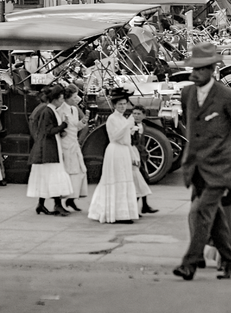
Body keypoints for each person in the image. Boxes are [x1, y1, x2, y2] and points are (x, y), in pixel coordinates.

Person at [172, 44, 231, 281]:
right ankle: (230, 260)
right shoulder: (187, 94)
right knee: (214, 218)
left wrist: (227, 154)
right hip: (195, 168)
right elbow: (192, 127)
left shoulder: (227, 97)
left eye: (198, 70)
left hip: (219, 169)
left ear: (211, 70)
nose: (193, 74)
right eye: (192, 69)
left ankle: (190, 263)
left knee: (200, 213)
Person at [89, 91, 142, 223]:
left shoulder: (123, 119)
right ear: (114, 105)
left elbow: (126, 138)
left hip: (123, 151)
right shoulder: (112, 119)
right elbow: (115, 136)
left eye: (124, 104)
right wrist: (128, 126)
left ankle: (123, 213)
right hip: (115, 151)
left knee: (125, 179)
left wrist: (133, 153)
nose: (123, 107)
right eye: (120, 104)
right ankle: (115, 213)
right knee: (116, 179)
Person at [28, 85, 73, 216]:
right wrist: (64, 125)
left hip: (48, 146)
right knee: (54, 174)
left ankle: (41, 204)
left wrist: (61, 129)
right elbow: (49, 131)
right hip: (49, 147)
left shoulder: (49, 110)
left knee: (46, 175)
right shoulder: (49, 111)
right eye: (62, 97)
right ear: (58, 98)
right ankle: (57, 205)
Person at [56, 84, 88, 211]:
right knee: (69, 172)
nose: (77, 99)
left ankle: (72, 198)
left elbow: (76, 127)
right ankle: (65, 198)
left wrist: (83, 122)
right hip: (66, 145)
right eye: (74, 97)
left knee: (79, 172)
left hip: (74, 144)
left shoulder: (74, 110)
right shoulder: (61, 111)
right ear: (68, 97)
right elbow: (60, 128)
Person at [130, 105, 158, 214]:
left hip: (140, 156)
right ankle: (138, 207)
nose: (136, 116)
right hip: (133, 156)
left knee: (143, 180)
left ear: (144, 116)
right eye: (134, 113)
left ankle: (144, 206)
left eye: (138, 114)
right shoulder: (130, 126)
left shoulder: (143, 126)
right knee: (141, 181)